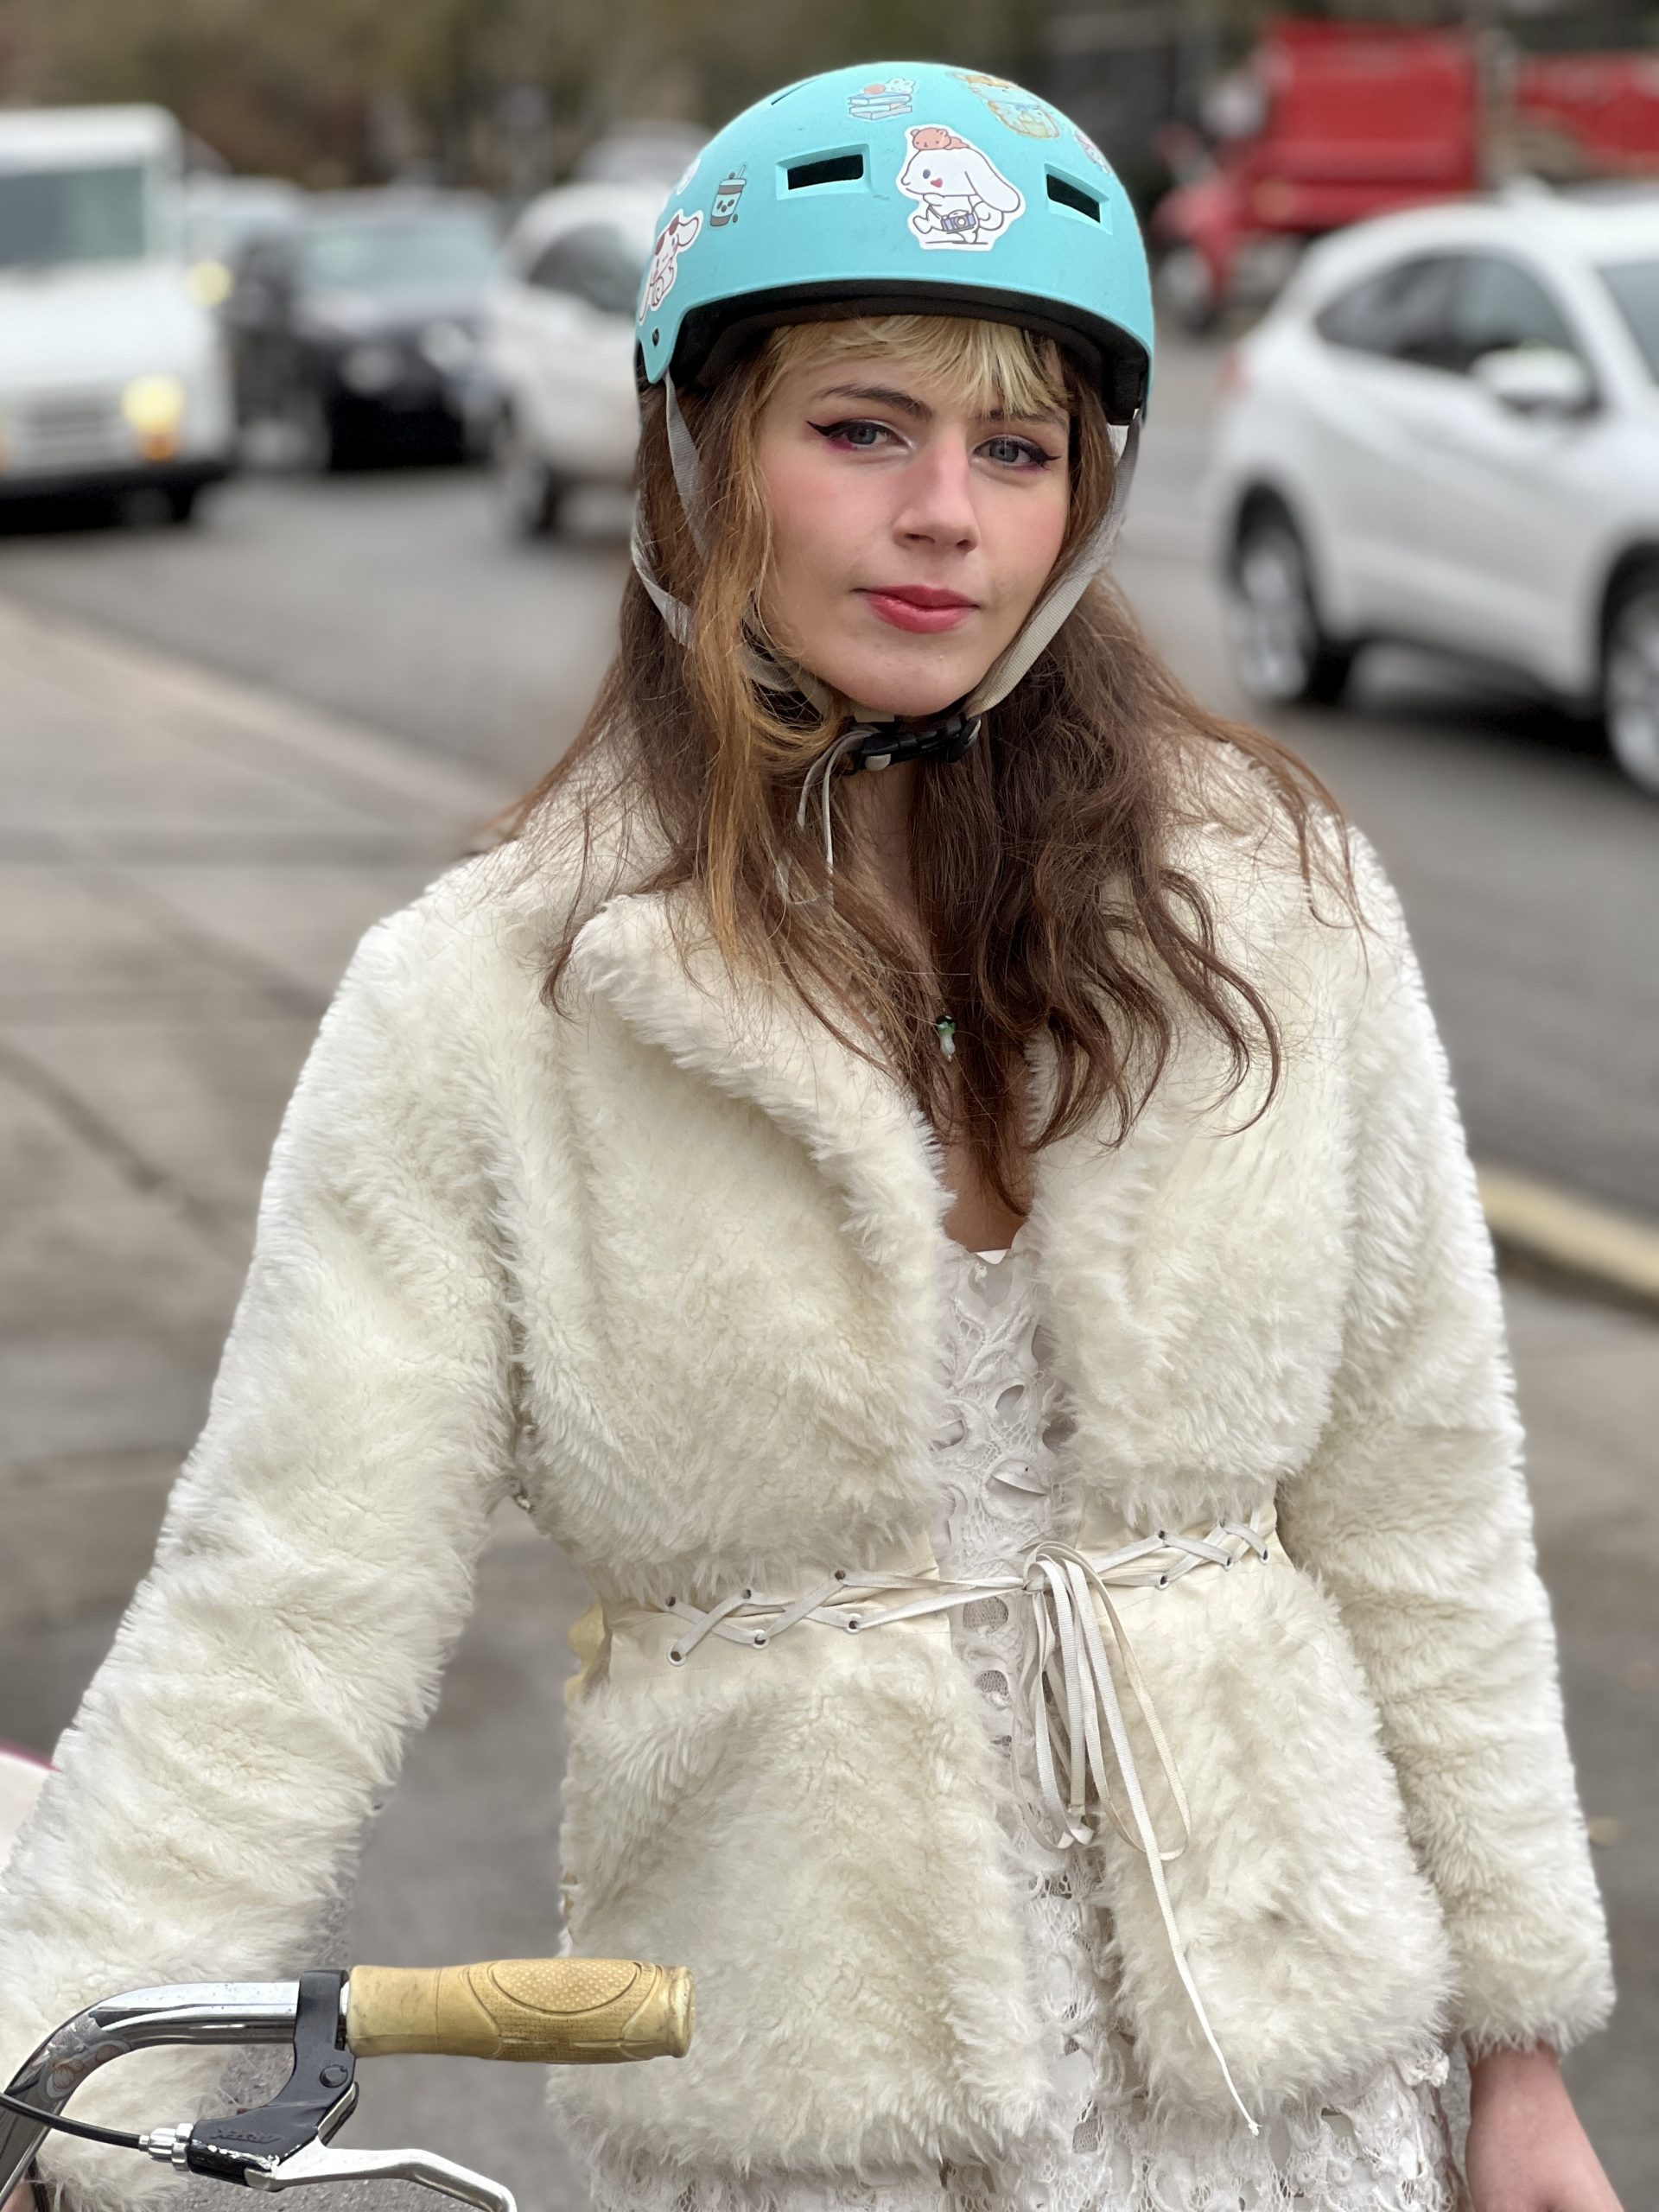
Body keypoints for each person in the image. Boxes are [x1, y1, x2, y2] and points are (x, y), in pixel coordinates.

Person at [0, 58, 1623, 2212]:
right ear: (701, 459)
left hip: (1303, 2120)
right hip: (815, 2141)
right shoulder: (493, 998)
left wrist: (1519, 2064)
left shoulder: (1274, 900)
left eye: (1018, 446)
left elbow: (1425, 1500)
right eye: (865, 427)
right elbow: (286, 1585)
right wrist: (72, 2041)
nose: (948, 509)